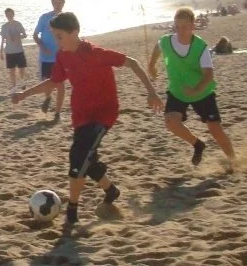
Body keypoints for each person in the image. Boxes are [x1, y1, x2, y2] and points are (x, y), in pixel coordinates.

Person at [13, 12, 163, 224]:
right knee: (87, 159)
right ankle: (111, 191)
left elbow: (133, 63)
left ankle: (72, 211)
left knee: (78, 158)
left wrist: (151, 92)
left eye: (60, 36)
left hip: (103, 114)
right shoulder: (62, 56)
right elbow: (53, 82)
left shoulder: (95, 53)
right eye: (54, 36)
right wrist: (24, 94)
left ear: (74, 32)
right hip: (81, 116)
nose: (57, 41)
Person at [148, 7, 236, 170]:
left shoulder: (200, 46)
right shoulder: (166, 41)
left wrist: (195, 90)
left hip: (202, 92)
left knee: (215, 128)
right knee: (171, 123)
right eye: (177, 27)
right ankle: (198, 144)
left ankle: (232, 160)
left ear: (192, 27)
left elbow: (209, 75)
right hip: (178, 91)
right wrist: (152, 64)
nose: (180, 31)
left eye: (185, 27)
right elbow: (158, 46)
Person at [33, 0, 66, 121]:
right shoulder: (44, 17)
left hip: (60, 57)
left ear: (63, 3)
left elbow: (72, 35)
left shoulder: (66, 19)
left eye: (59, 3)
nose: (57, 5)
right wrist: (42, 46)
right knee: (46, 83)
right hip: (45, 57)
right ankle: (48, 98)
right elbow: (35, 35)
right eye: (55, 3)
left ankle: (57, 113)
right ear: (52, 3)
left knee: (60, 84)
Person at [0, 8, 28, 93]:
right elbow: (2, 39)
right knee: (12, 70)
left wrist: (17, 37)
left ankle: (22, 80)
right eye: (7, 14)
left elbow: (25, 35)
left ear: (13, 14)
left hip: (19, 50)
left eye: (10, 14)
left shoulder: (18, 24)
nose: (9, 16)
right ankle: (14, 87)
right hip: (9, 51)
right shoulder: (4, 26)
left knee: (21, 68)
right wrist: (1, 51)